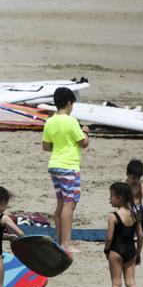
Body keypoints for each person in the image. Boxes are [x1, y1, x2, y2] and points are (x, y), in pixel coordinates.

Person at [41, 86, 88, 255]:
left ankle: (59, 240)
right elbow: (84, 143)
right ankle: (66, 243)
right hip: (68, 165)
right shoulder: (71, 121)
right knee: (70, 204)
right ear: (69, 103)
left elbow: (46, 146)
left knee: (61, 203)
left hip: (54, 164)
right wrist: (85, 132)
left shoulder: (50, 121)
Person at [103, 182, 143, 287]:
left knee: (116, 284)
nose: (110, 199)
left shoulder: (113, 217)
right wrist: (138, 253)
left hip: (117, 250)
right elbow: (140, 236)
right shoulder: (135, 214)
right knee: (131, 283)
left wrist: (106, 250)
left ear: (119, 198)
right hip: (130, 250)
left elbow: (109, 238)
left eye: (111, 196)